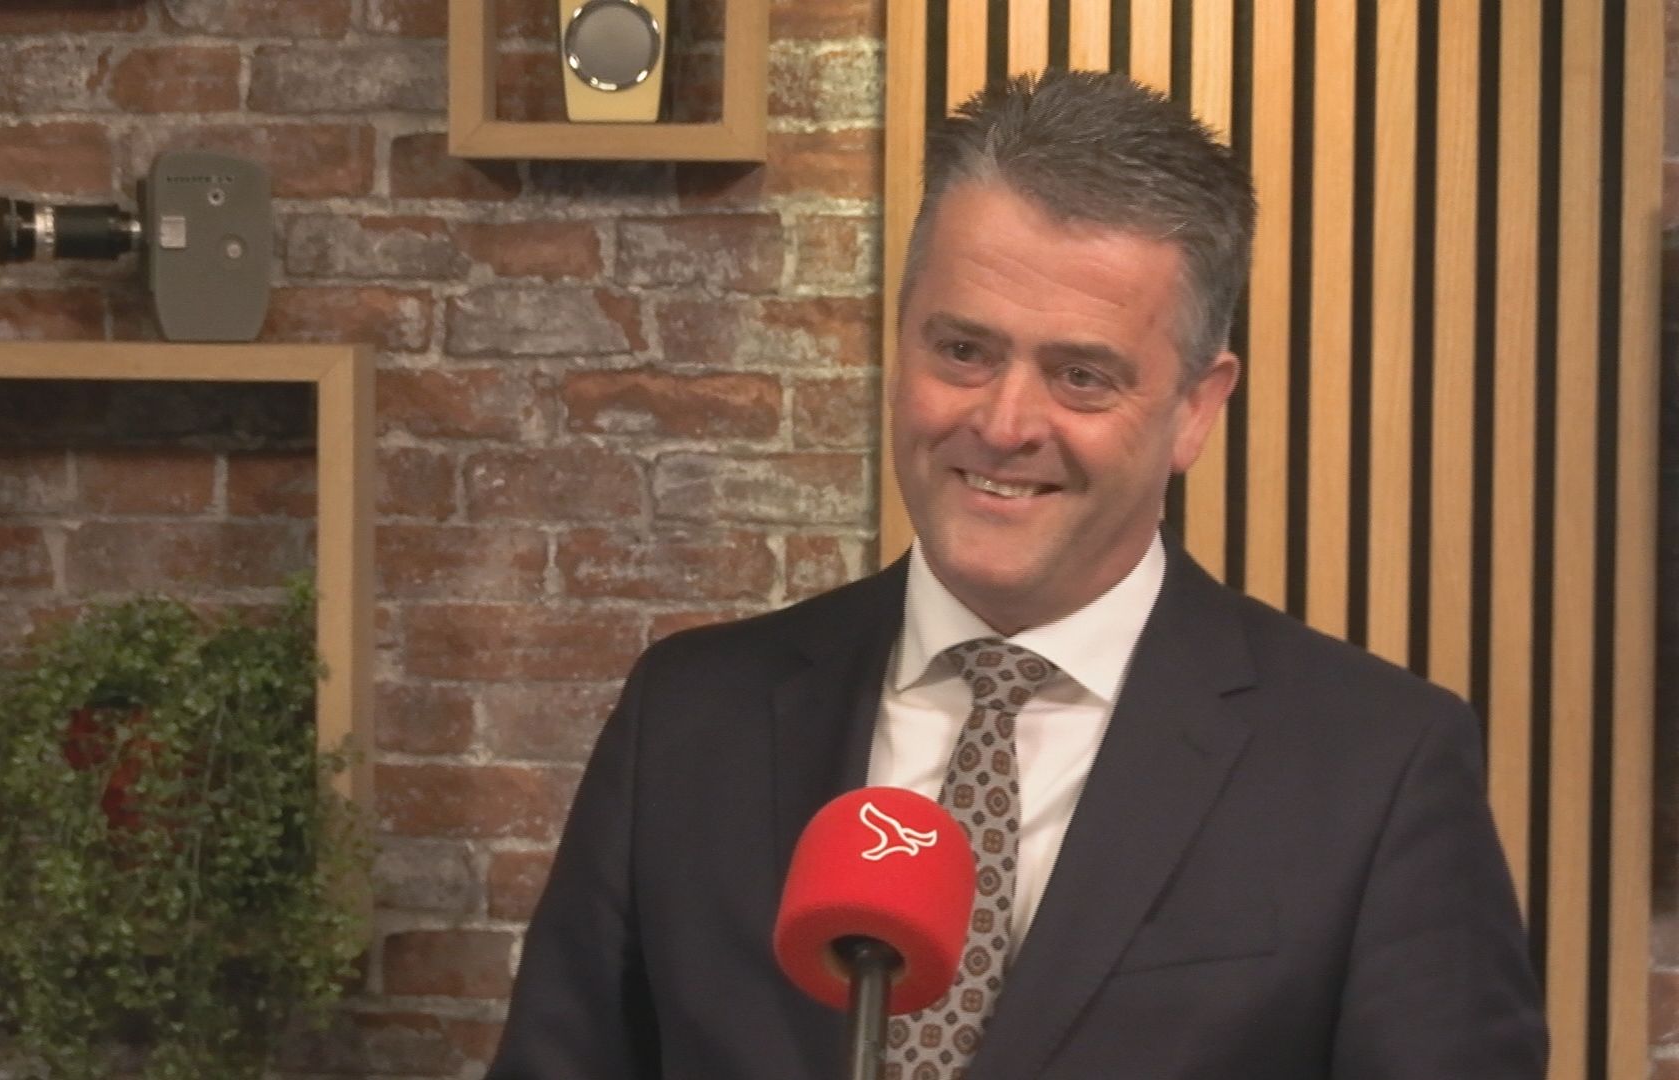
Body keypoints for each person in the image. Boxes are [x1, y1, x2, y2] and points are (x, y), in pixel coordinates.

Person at [485, 69, 1546, 1079]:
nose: (1002, 423)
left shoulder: (1377, 770)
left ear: (1196, 408)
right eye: (963, 351)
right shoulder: (687, 720)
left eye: (1081, 376)